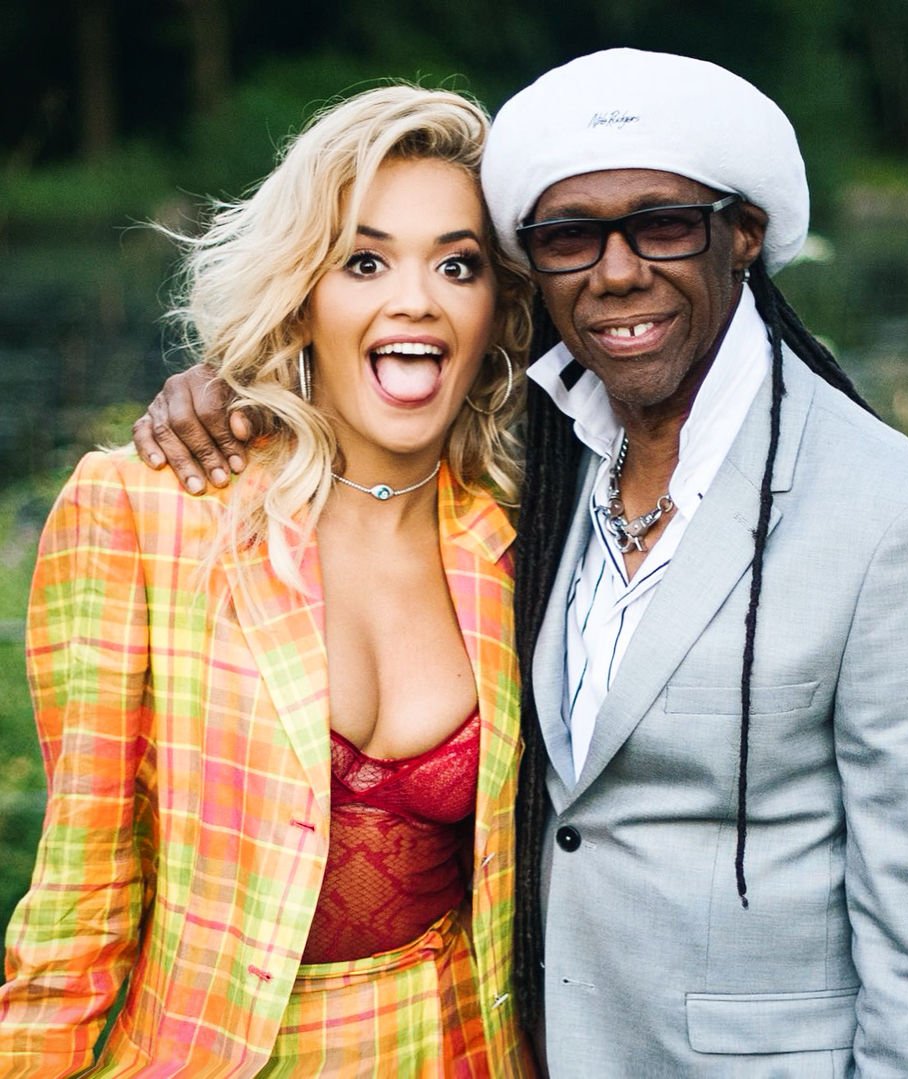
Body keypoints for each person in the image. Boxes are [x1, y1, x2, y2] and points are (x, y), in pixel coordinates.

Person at [129, 50, 908, 1078]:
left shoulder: (903, 523)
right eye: (569, 237)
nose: (617, 271)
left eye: (663, 224)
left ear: (745, 232)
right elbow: (379, 374)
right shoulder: (539, 460)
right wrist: (231, 386)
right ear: (536, 271)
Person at [0, 85, 537, 1076]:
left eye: (457, 264)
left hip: (461, 1045)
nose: (416, 299)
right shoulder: (147, 512)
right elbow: (81, 887)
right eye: (364, 261)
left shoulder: (520, 544)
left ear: (498, 306)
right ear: (302, 295)